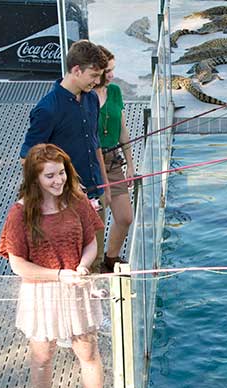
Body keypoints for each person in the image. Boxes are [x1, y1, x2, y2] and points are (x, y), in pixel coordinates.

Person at [0, 144, 112, 388]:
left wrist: (83, 266)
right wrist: (58, 275)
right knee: (42, 357)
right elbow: (17, 264)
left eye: (61, 173)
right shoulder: (20, 213)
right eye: (50, 176)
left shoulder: (77, 201)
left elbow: (91, 242)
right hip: (42, 293)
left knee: (88, 353)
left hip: (76, 287)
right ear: (35, 179)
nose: (58, 180)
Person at [19, 40, 110, 269]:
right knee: (72, 264)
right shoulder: (47, 109)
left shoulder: (91, 98)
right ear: (76, 70)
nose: (97, 81)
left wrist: (105, 186)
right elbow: (27, 159)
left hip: (94, 194)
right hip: (65, 202)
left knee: (95, 261)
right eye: (93, 75)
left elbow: (95, 144)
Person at [93, 45, 135, 274]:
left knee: (125, 217)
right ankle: (95, 265)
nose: (111, 75)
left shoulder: (116, 92)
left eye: (113, 69)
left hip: (114, 162)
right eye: (107, 70)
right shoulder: (87, 95)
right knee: (98, 222)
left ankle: (111, 258)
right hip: (93, 166)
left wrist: (130, 164)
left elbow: (122, 129)